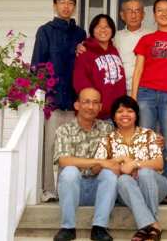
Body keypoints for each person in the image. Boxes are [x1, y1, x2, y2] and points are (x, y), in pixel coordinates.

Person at [131, 0, 167, 204]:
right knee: (146, 142)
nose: (164, 14)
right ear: (154, 15)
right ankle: (144, 185)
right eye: (159, 10)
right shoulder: (146, 40)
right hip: (146, 94)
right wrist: (133, 97)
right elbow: (138, 69)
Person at [31, 0, 86, 202]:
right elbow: (37, 64)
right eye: (62, 2)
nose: (66, 6)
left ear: (74, 6)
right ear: (55, 5)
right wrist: (43, 93)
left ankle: (67, 189)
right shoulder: (45, 31)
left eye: (70, 2)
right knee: (50, 146)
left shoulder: (80, 33)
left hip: (74, 99)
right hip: (53, 99)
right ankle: (48, 189)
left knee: (71, 146)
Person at [95, 95, 167, 241]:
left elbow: (159, 163)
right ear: (114, 117)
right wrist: (119, 162)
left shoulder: (149, 135)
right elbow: (96, 168)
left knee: (145, 173)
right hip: (126, 193)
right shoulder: (107, 140)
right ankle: (152, 226)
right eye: (120, 111)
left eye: (129, 111)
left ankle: (145, 226)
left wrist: (135, 164)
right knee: (123, 180)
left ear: (136, 115)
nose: (125, 115)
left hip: (155, 187)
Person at [53, 87, 120, 241]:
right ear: (77, 105)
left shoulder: (107, 128)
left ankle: (99, 228)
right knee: (69, 171)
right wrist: (98, 161)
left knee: (109, 174)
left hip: (100, 190)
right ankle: (68, 228)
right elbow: (63, 159)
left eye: (95, 102)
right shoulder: (65, 130)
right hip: (73, 190)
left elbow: (124, 144)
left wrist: (154, 140)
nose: (91, 107)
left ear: (100, 107)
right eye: (86, 102)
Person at [73, 14, 126, 120]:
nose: (103, 30)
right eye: (98, 27)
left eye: (106, 27)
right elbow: (80, 83)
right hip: (96, 115)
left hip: (117, 114)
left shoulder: (114, 50)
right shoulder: (85, 52)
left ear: (112, 30)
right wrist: (93, 107)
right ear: (92, 30)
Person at [114, 0, 152, 92]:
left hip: (146, 90)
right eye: (129, 11)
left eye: (137, 11)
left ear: (143, 15)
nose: (133, 15)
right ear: (122, 15)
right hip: (121, 89)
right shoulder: (115, 37)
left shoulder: (152, 35)